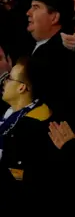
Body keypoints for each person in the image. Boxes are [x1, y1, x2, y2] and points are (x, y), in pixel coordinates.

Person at [0, 57, 54, 213]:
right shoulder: (10, 112)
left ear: (22, 88)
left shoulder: (36, 122)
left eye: (9, 78)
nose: (4, 81)